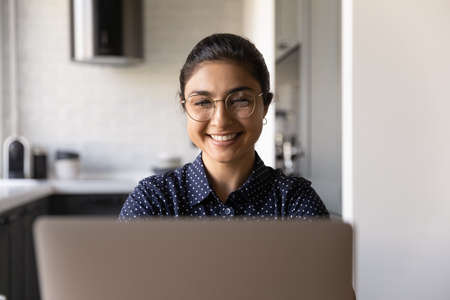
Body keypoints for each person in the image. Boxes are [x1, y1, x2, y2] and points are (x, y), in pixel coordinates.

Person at [119, 33, 329, 221]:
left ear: (265, 105)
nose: (220, 120)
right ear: (185, 108)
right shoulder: (154, 200)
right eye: (202, 102)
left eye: (239, 101)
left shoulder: (294, 202)